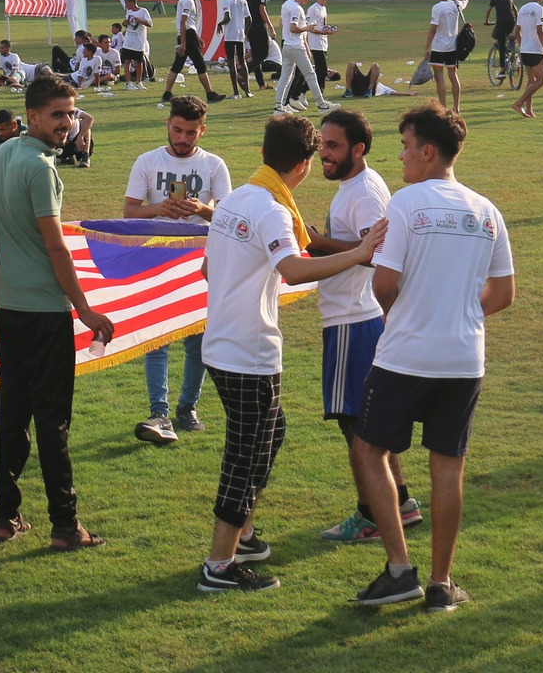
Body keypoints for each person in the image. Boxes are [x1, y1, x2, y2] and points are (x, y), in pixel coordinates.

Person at [195, 113, 389, 593]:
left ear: (263, 154)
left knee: (270, 432)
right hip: (250, 353)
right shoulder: (273, 211)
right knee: (246, 455)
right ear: (303, 165)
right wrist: (360, 253)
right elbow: (295, 270)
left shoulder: (235, 200)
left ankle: (244, 534)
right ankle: (220, 565)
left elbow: (206, 269)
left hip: (220, 345)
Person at [351, 104, 514, 611]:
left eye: (404, 146)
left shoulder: (405, 204)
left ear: (427, 151)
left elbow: (384, 283)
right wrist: (460, 314)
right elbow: (504, 293)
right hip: (465, 358)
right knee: (448, 467)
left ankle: (400, 570)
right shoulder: (487, 209)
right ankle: (442, 583)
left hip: (407, 355)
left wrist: (410, 313)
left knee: (368, 449)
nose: (399, 156)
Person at [0, 75, 117, 550]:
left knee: (11, 415)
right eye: (57, 114)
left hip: (6, 306)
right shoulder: (42, 170)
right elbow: (56, 246)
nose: (67, 123)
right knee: (52, 422)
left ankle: (6, 516)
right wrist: (85, 309)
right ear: (32, 117)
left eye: (71, 113)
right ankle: (66, 526)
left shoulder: (4, 153)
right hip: (45, 313)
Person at [309, 108, 420, 545]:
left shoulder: (367, 193)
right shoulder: (355, 186)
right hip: (355, 316)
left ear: (359, 149)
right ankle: (402, 503)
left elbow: (377, 252)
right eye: (322, 145)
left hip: (353, 319)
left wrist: (320, 244)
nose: (325, 154)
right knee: (364, 423)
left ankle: (371, 513)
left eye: (333, 146)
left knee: (355, 425)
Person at [122, 95, 233, 445]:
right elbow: (128, 211)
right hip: (157, 258)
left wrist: (201, 209)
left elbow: (229, 219)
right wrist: (159, 210)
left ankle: (187, 407)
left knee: (197, 340)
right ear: (168, 125)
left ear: (202, 131)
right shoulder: (147, 161)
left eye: (190, 133)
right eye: (177, 130)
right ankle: (159, 411)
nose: (182, 139)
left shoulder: (215, 165)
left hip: (201, 260)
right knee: (158, 339)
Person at [160, 0, 226, 106]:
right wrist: (185, 43)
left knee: (177, 66)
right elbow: (183, 22)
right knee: (200, 65)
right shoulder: (188, 1)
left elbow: (188, 23)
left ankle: (167, 93)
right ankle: (210, 93)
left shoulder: (185, 0)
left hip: (186, 35)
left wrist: (197, 38)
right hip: (187, 37)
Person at [274, 0, 329, 114]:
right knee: (310, 75)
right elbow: (293, 28)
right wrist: (307, 28)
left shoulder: (286, 4)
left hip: (287, 45)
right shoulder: (296, 8)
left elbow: (283, 24)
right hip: (295, 46)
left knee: (285, 77)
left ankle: (278, 106)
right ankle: (321, 105)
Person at [424, 0, 466, 110]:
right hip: (453, 46)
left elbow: (433, 29)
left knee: (439, 76)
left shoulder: (437, 7)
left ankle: (442, 107)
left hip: (438, 46)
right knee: (453, 75)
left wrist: (426, 47)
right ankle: (456, 107)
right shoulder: (455, 5)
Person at [512, 0, 543, 118]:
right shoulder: (539, 9)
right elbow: (540, 30)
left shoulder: (522, 9)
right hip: (535, 49)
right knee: (540, 81)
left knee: (531, 80)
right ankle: (519, 103)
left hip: (525, 49)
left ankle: (529, 110)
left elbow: (517, 32)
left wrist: (523, 44)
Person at [218, 0, 251, 98]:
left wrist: (219, 24)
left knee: (231, 62)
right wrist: (245, 33)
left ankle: (236, 93)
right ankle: (248, 91)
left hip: (230, 36)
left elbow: (227, 17)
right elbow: (249, 19)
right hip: (240, 35)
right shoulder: (243, 0)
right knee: (242, 61)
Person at [304, 0, 337, 101]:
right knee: (322, 72)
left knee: (320, 72)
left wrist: (326, 28)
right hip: (315, 44)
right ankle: (320, 98)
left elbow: (320, 26)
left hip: (323, 44)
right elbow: (310, 27)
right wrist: (325, 33)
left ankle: (301, 91)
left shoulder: (323, 8)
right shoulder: (313, 9)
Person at [118, 0, 153, 89]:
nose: (126, 5)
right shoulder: (129, 12)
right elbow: (126, 23)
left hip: (138, 42)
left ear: (132, 2)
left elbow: (150, 23)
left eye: (126, 3)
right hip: (128, 41)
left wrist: (140, 21)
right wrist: (125, 23)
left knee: (139, 62)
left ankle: (139, 82)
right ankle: (128, 83)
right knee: (127, 62)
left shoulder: (143, 11)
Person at [244, 0, 271, 89]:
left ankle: (262, 84)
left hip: (249, 25)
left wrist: (246, 30)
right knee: (264, 53)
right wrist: (270, 26)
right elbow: (262, 10)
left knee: (255, 55)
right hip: (258, 25)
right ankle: (242, 74)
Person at [486, 0, 518, 82]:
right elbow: (515, 9)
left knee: (501, 44)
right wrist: (517, 20)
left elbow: (489, 10)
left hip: (501, 22)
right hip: (511, 21)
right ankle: (512, 47)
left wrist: (486, 21)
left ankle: (503, 70)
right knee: (507, 35)